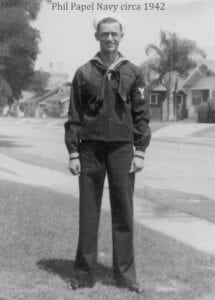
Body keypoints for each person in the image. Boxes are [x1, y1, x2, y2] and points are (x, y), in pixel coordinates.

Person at [64, 14, 151, 293]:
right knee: (88, 214)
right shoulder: (84, 73)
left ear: (121, 36)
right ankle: (82, 275)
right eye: (105, 34)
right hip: (90, 150)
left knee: (123, 213)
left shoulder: (133, 72)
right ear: (97, 37)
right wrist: (73, 153)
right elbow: (74, 116)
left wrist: (140, 151)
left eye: (114, 34)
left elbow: (141, 115)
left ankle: (125, 277)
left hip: (122, 150)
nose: (110, 39)